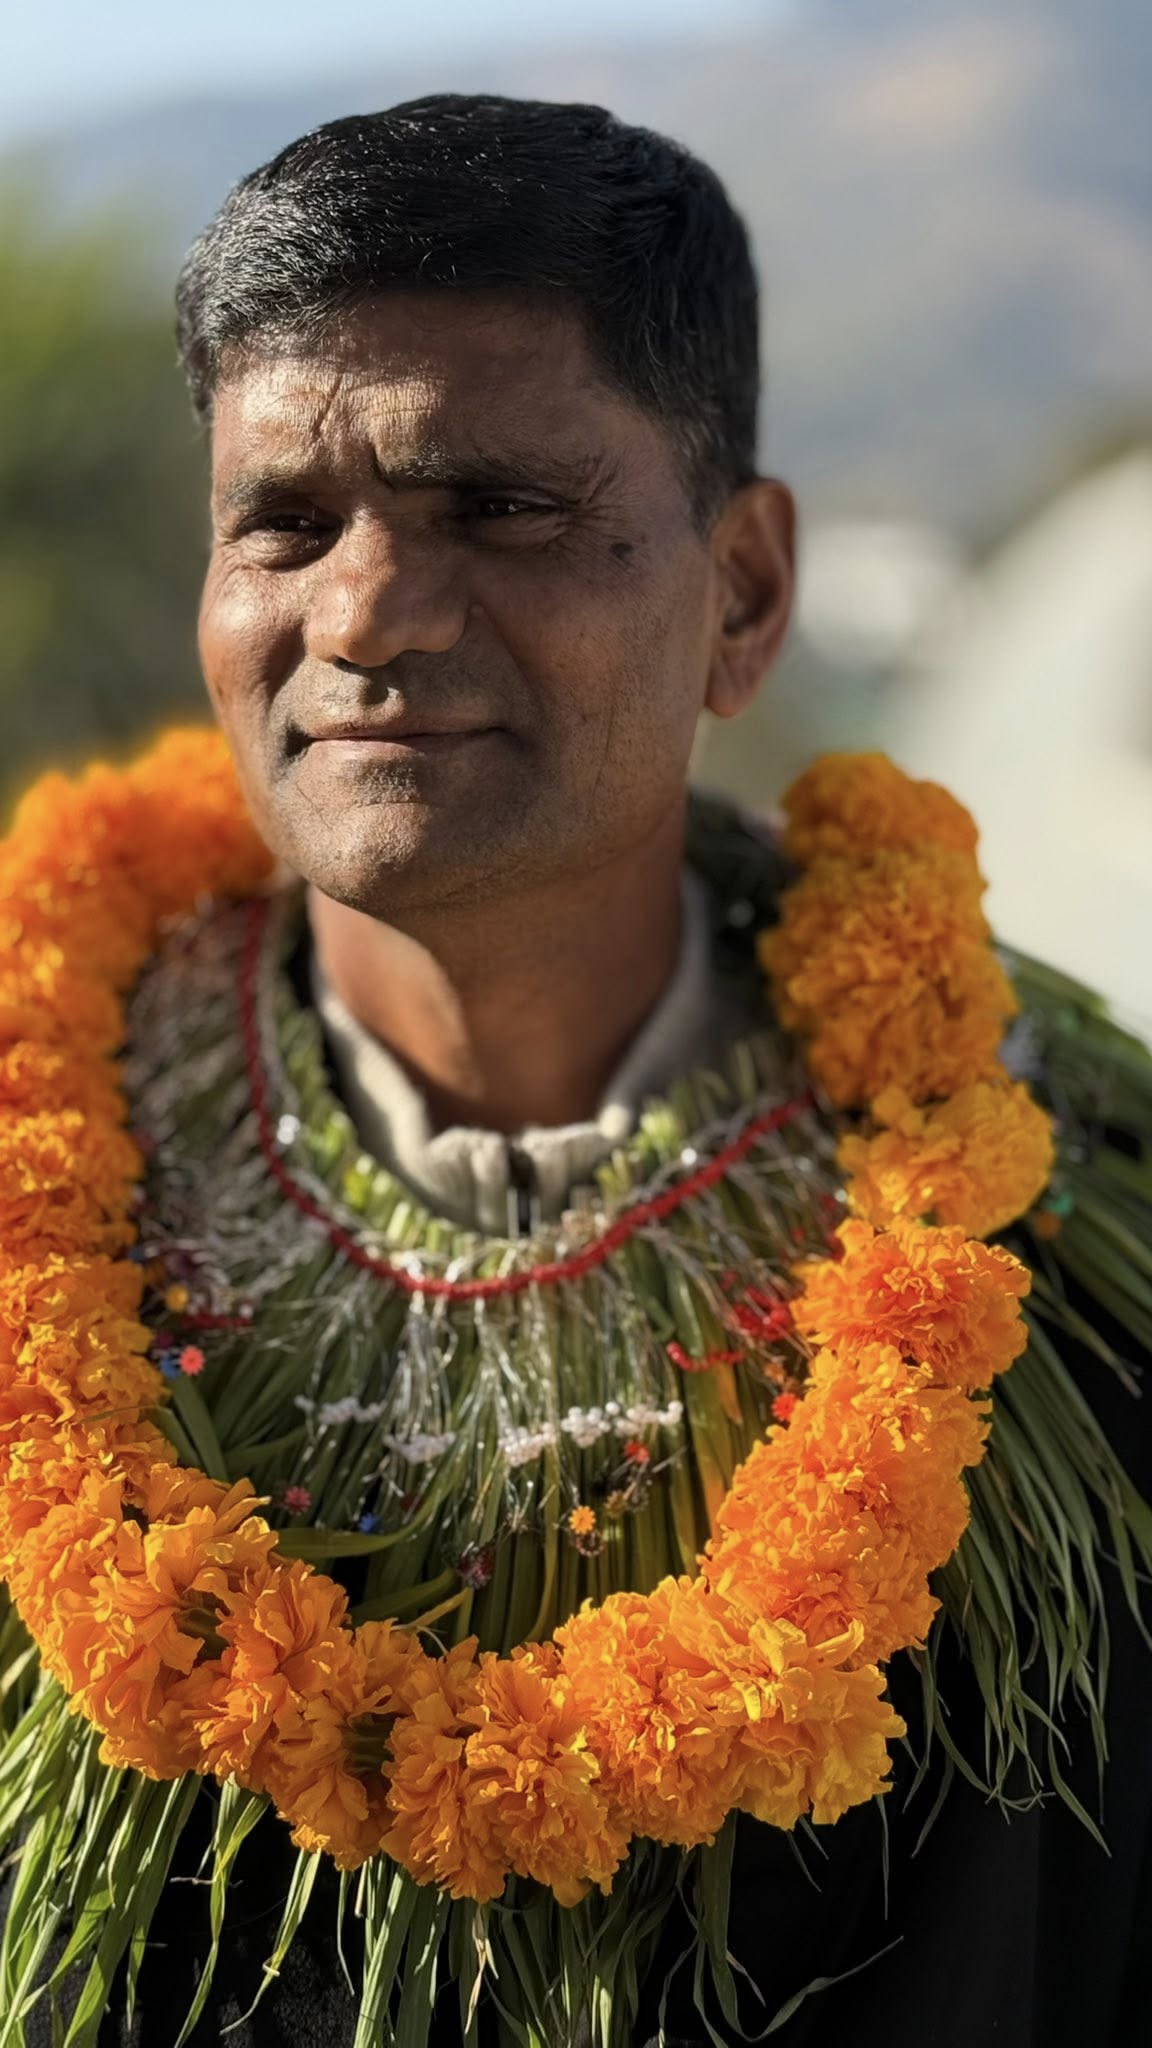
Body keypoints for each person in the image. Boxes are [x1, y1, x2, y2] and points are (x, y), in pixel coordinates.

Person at [0, 95, 1149, 2048]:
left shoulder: (1078, 1225)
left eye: (503, 508)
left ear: (748, 593)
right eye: (282, 523)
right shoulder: (42, 1176)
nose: (360, 615)